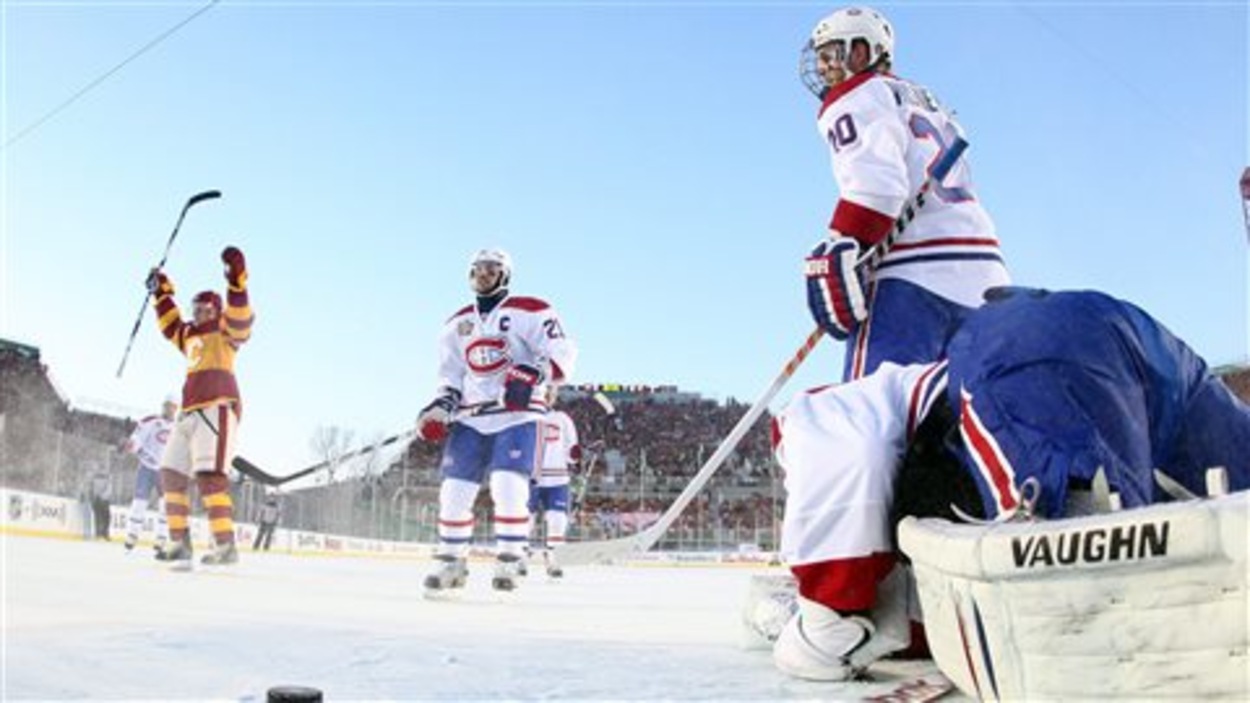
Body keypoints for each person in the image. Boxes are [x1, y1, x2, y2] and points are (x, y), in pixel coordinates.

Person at [766, 287, 1250, 681]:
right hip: (1146, 350)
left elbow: (844, 453)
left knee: (1065, 555)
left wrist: (825, 621)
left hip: (1024, 353)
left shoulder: (820, 417)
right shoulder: (905, 396)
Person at [799, 6, 1009, 381]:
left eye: (831, 54)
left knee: (871, 420)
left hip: (913, 277)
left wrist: (841, 244)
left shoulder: (855, 95)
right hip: (987, 277)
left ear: (861, 52)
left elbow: (877, 191)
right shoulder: (927, 100)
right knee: (963, 420)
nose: (825, 67)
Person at [417, 248, 577, 592]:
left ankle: (510, 556)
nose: (483, 274)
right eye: (477, 269)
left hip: (518, 413)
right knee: (454, 490)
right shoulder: (456, 324)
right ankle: (451, 560)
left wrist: (530, 374)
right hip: (472, 417)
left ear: (505, 274)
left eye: (491, 269)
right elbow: (451, 376)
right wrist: (440, 407)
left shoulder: (531, 310)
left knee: (507, 482)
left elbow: (562, 351)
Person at [145, 246, 254, 568]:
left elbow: (242, 322)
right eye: (196, 308)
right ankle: (179, 542)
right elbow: (170, 325)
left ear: (216, 310)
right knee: (170, 473)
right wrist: (160, 291)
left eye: (205, 308)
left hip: (216, 408)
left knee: (209, 476)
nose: (198, 313)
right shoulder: (189, 333)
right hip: (188, 411)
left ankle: (225, 545)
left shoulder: (224, 330)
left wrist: (236, 281)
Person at [529, 385, 582, 578]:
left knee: (557, 520)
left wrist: (575, 456)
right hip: (531, 477)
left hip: (558, 477)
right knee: (526, 521)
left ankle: (553, 558)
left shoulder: (562, 419)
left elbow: (571, 448)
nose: (547, 396)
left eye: (550, 394)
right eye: (544, 392)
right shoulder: (525, 416)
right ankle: (517, 558)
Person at [121, 394, 177, 552]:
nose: (169, 409)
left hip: (165, 472)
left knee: (165, 505)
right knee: (139, 501)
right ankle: (132, 535)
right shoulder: (151, 421)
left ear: (176, 408)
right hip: (146, 467)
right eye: (167, 405)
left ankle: (161, 538)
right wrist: (132, 444)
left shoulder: (179, 428)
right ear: (163, 405)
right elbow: (138, 438)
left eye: (172, 406)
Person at [84, 463, 113, 540]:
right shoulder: (107, 477)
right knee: (105, 517)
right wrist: (103, 496)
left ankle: (99, 533)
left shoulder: (94, 477)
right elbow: (109, 488)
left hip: (97, 499)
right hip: (103, 500)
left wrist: (94, 496)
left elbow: (91, 487)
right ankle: (103, 533)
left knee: (99, 517)